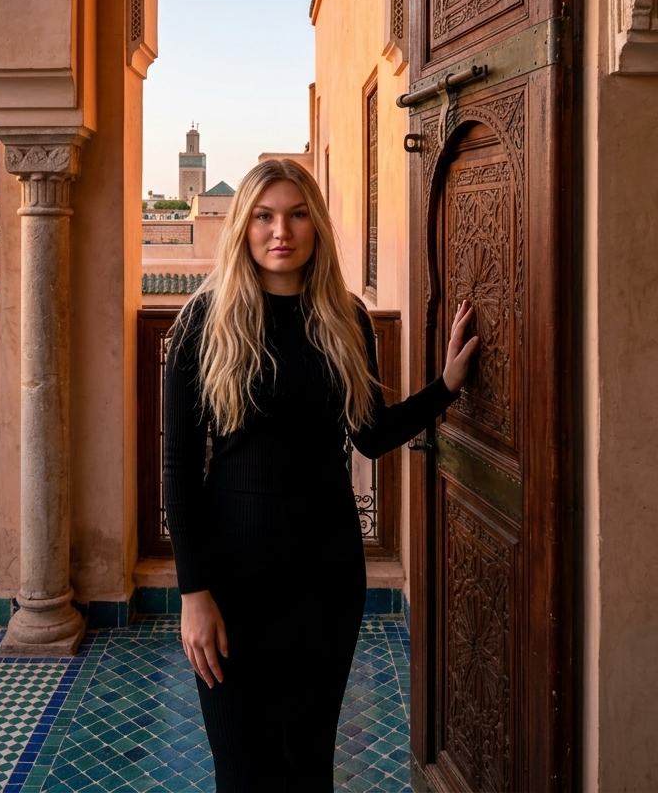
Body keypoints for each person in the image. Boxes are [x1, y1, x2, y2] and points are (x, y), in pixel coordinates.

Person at [163, 158, 478, 792]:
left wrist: (444, 388)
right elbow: (178, 469)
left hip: (324, 582)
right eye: (265, 216)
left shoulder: (346, 319)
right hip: (231, 586)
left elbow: (369, 432)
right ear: (243, 227)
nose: (282, 230)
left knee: (307, 766)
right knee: (243, 772)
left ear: (317, 225)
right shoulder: (203, 323)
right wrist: (194, 593)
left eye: (298, 214)